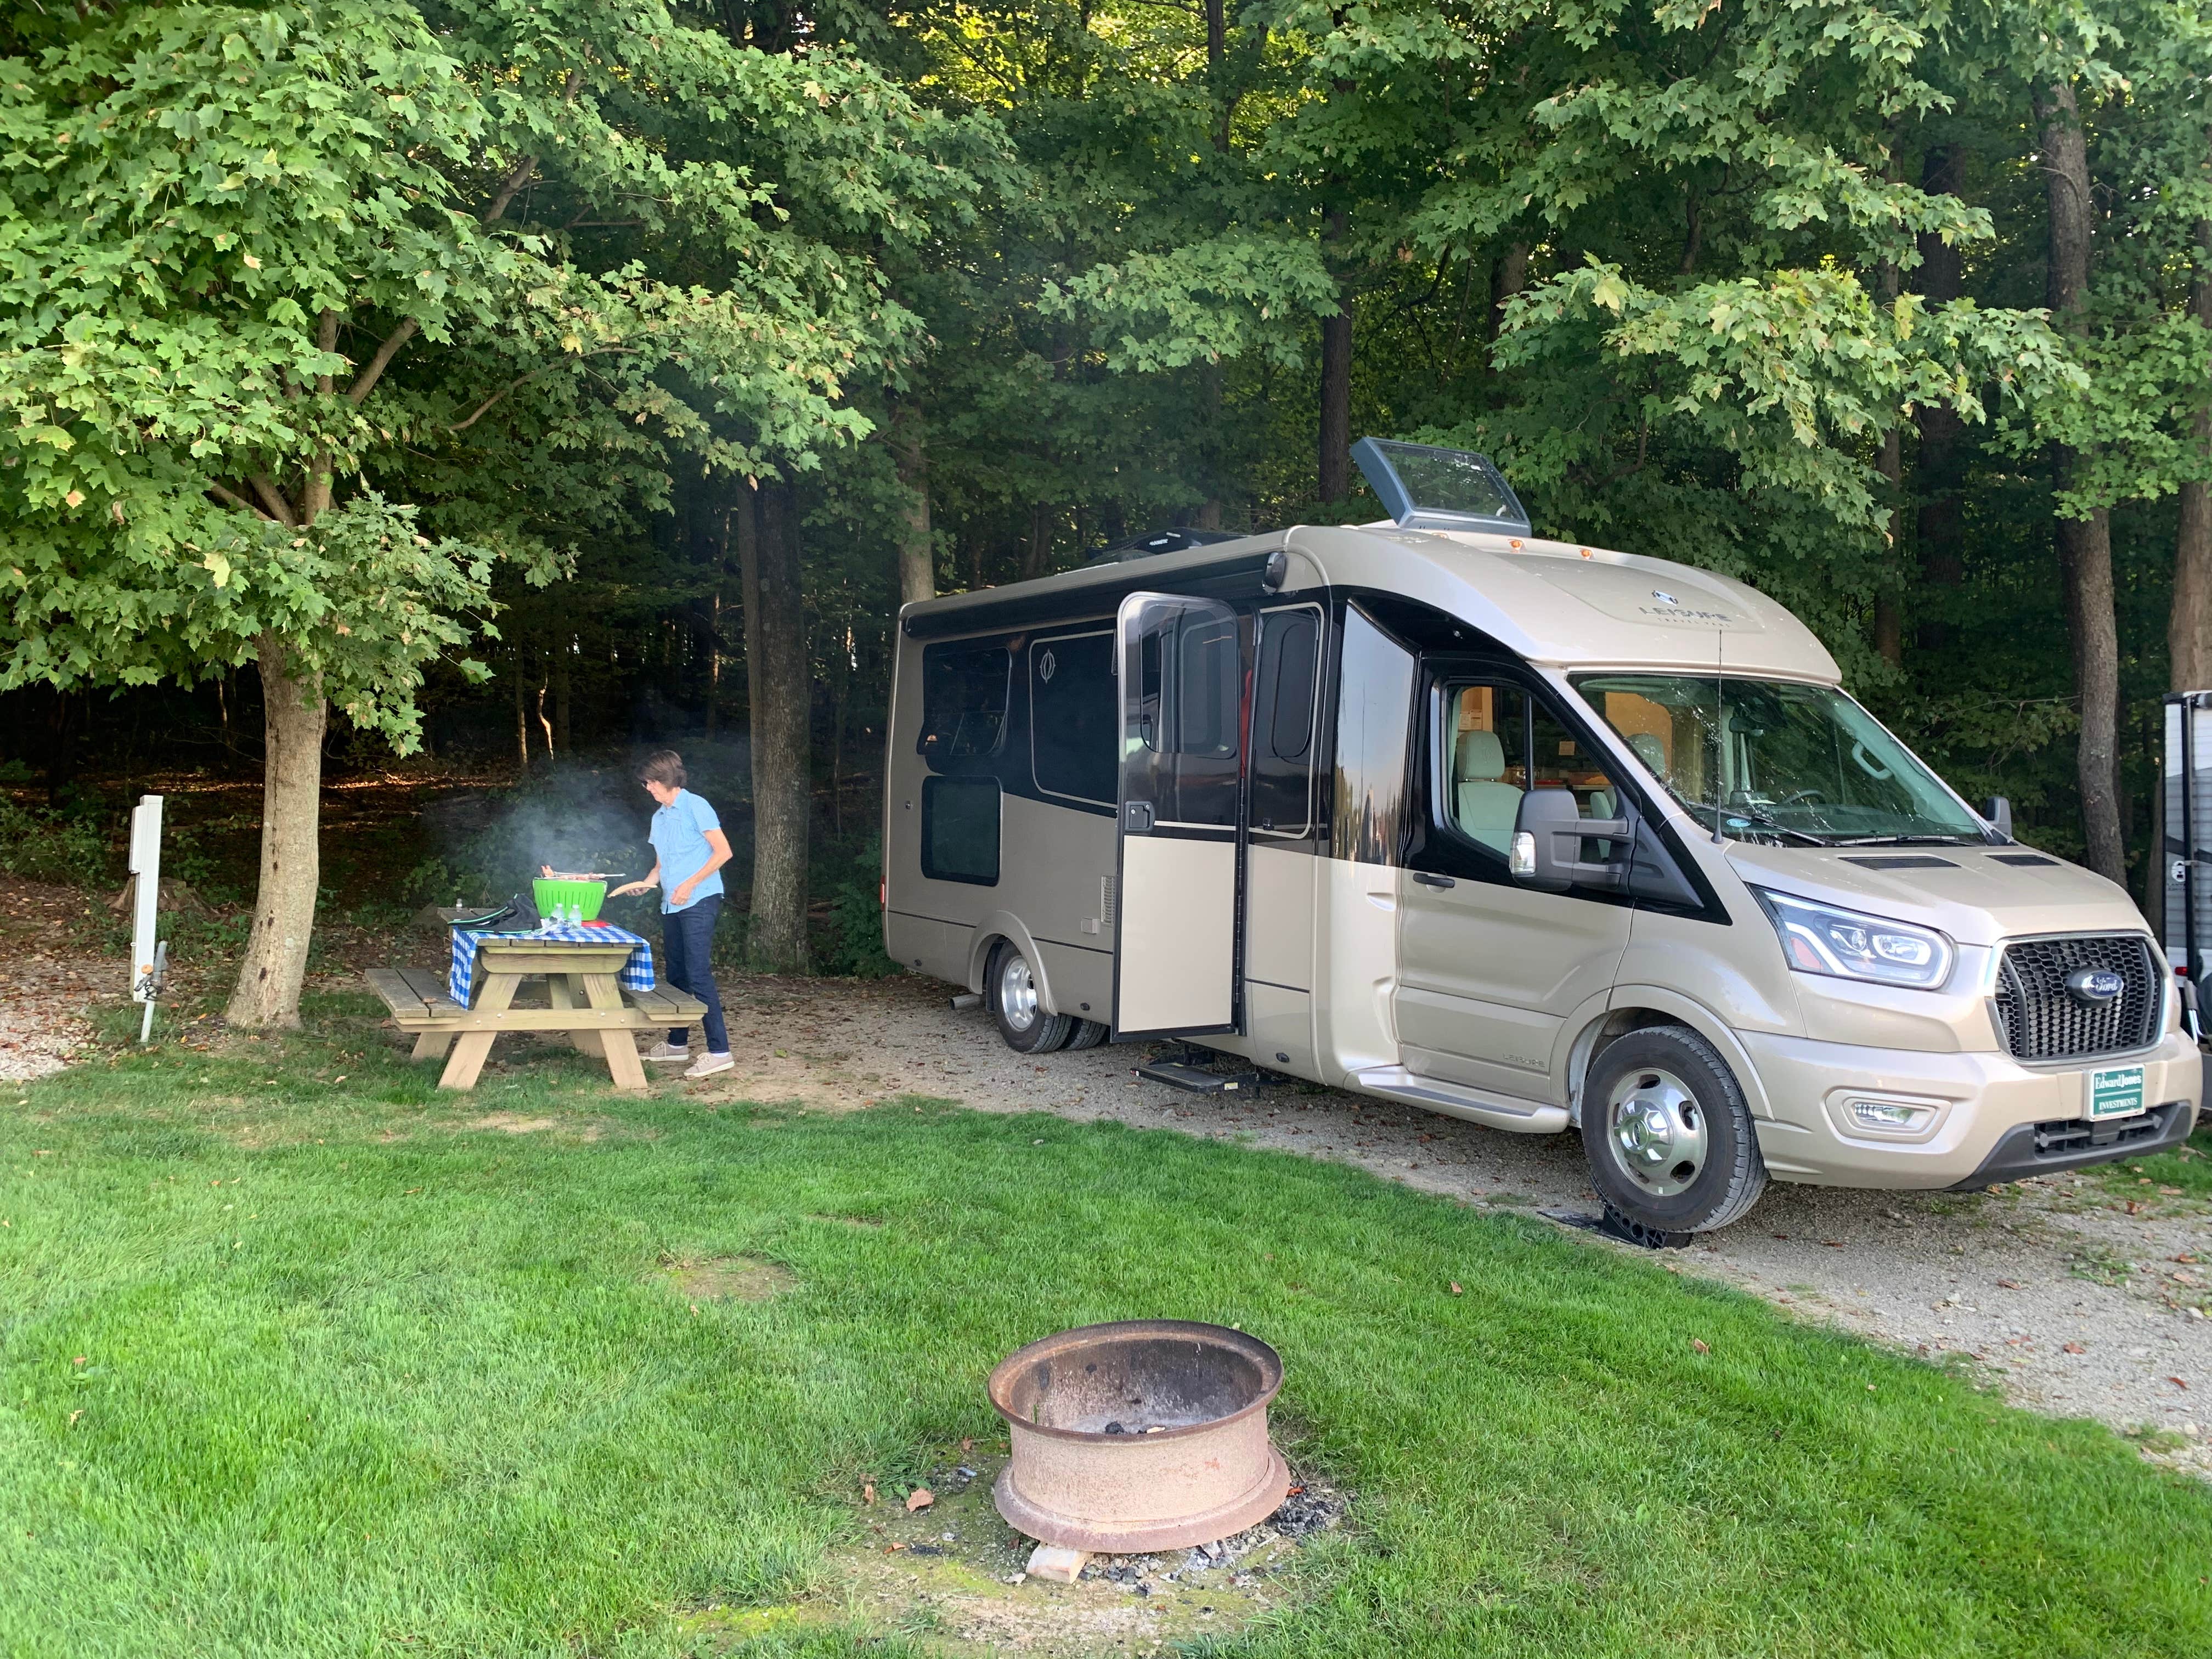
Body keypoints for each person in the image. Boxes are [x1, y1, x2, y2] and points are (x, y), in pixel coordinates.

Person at [610, 751, 733, 1079]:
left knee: (697, 973)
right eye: (646, 783)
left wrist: (691, 884)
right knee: (677, 975)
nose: (647, 788)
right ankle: (677, 1045)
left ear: (667, 780)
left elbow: (724, 852)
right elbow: (662, 864)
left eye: (651, 782)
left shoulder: (697, 806)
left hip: (700, 900)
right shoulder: (660, 817)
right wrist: (646, 884)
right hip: (671, 902)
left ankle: (720, 1051)